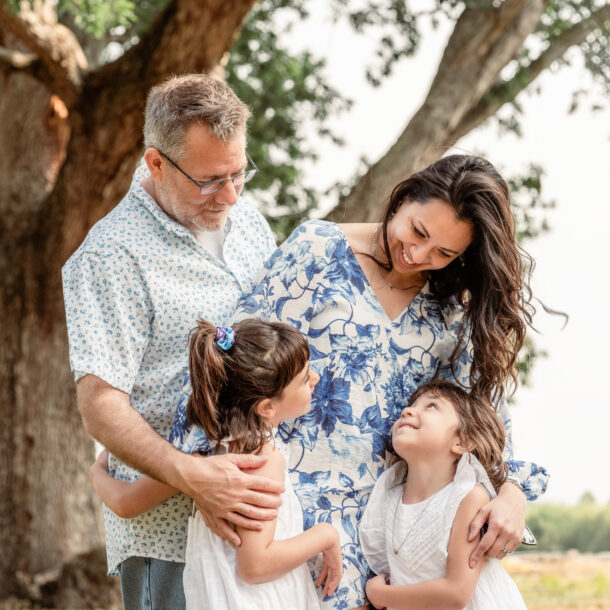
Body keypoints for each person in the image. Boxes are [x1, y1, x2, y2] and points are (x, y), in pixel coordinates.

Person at [186, 153, 547, 609]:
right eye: (418, 232)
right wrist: (199, 472)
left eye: (444, 253)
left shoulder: (451, 309)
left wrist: (513, 493)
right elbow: (229, 363)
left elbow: (486, 417)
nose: (418, 255)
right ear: (403, 197)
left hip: (386, 540)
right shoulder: (317, 251)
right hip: (287, 525)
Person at [62, 74, 280, 609]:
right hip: (168, 538)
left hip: (258, 529)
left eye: (239, 173)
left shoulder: (249, 221)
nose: (229, 195)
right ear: (157, 163)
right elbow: (100, 405)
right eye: (210, 180)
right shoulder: (110, 255)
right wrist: (193, 476)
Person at [89, 318, 343, 609]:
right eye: (304, 378)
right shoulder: (262, 458)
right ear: (267, 407)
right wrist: (326, 536)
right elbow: (255, 566)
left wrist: (96, 472)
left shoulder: (204, 459)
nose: (316, 379)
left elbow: (125, 503)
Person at [360, 380, 527, 609]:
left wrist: (381, 595)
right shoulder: (389, 495)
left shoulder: (468, 497)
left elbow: (456, 593)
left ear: (462, 442)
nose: (407, 411)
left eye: (431, 407)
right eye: (412, 405)